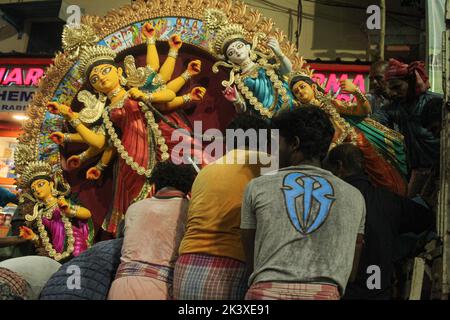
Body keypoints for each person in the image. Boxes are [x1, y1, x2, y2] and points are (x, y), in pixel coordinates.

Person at [241, 106, 366, 300]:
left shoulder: (258, 187)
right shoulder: (354, 196)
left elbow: (252, 262)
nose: (274, 151)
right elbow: (351, 272)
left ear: (294, 144)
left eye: (277, 143)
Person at [173, 114, 272, 300]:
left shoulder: (206, 171)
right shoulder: (265, 162)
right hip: (229, 264)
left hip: (185, 264)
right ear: (264, 141)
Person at [323, 143, 434, 299]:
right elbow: (427, 219)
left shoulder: (328, 203)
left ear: (339, 167)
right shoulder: (388, 201)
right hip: (378, 292)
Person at [288, 70, 407, 196]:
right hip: (330, 154)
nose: (300, 92)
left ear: (312, 87)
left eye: (302, 87)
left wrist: (355, 91)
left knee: (380, 178)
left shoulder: (331, 103)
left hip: (353, 143)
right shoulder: (305, 116)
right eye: (296, 92)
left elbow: (363, 111)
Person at [108, 162, 197, 300]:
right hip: (159, 288)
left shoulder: (135, 208)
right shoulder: (189, 210)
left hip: (120, 286)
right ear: (188, 187)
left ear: (155, 183)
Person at [203, 9, 295, 118]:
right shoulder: (239, 81)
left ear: (248, 47)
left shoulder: (266, 65)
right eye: (231, 52)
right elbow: (242, 109)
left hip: (286, 106)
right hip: (264, 118)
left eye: (239, 46)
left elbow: (287, 70)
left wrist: (279, 53)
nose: (237, 51)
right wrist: (236, 101)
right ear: (229, 60)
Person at [371, 59, 442, 197]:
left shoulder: (435, 103)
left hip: (441, 169)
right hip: (418, 172)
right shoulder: (396, 108)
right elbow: (373, 121)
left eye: (397, 87)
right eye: (391, 89)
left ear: (411, 83)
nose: (393, 93)